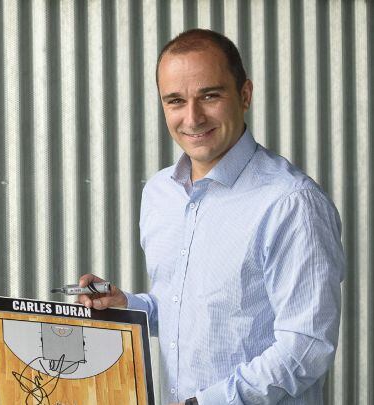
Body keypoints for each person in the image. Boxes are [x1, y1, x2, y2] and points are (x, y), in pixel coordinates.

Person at [78, 29, 344, 405]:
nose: (192, 117)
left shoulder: (291, 203)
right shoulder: (160, 193)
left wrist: (206, 402)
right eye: (175, 101)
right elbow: (183, 309)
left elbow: (306, 347)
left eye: (210, 95)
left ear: (245, 95)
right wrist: (128, 306)